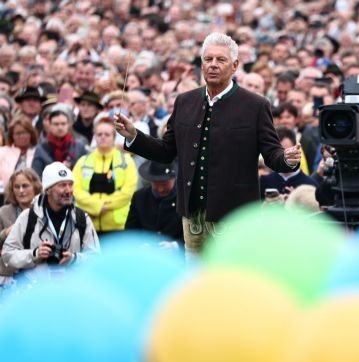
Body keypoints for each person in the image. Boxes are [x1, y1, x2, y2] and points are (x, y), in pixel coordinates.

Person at [114, 32, 302, 253]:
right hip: (192, 214)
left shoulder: (256, 105)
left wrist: (287, 159)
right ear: (202, 64)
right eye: (208, 59)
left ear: (235, 66)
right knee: (196, 271)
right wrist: (133, 135)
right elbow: (166, 151)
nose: (213, 64)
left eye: (220, 60)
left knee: (231, 271)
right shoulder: (185, 101)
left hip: (235, 215)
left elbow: (272, 154)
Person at [2, 162, 99, 276]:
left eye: (70, 184)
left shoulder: (81, 218)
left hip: (72, 285)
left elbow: (96, 258)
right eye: (62, 185)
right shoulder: (28, 217)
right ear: (47, 190)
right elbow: (7, 255)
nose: (68, 190)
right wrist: (35, 254)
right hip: (36, 286)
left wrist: (74, 259)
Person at [72, 116, 139, 235]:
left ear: (114, 137)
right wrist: (96, 206)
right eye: (99, 134)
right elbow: (75, 190)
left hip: (118, 227)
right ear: (95, 137)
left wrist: (105, 206)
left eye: (107, 134)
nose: (103, 137)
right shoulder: (83, 162)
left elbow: (128, 192)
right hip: (88, 226)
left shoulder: (126, 161)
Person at [125, 160, 183, 243]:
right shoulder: (140, 197)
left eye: (164, 183)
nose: (160, 189)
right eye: (156, 183)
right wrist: (140, 244)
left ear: (174, 179)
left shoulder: (183, 199)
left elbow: (193, 233)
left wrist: (176, 244)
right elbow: (130, 231)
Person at [0, 168, 42, 284]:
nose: (21, 190)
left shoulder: (44, 211)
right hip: (8, 276)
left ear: (35, 187)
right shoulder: (4, 212)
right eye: (17, 187)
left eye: (25, 186)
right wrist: (5, 233)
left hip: (37, 274)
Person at [31, 106, 88, 176]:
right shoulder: (41, 149)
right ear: (50, 125)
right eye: (56, 124)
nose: (60, 127)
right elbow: (36, 175)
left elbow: (85, 172)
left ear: (68, 125)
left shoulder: (78, 146)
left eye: (63, 124)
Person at [0, 116, 38, 197]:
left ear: (31, 134)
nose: (21, 136)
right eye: (18, 133)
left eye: (25, 132)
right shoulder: (2, 152)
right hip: (5, 196)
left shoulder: (38, 152)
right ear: (12, 135)